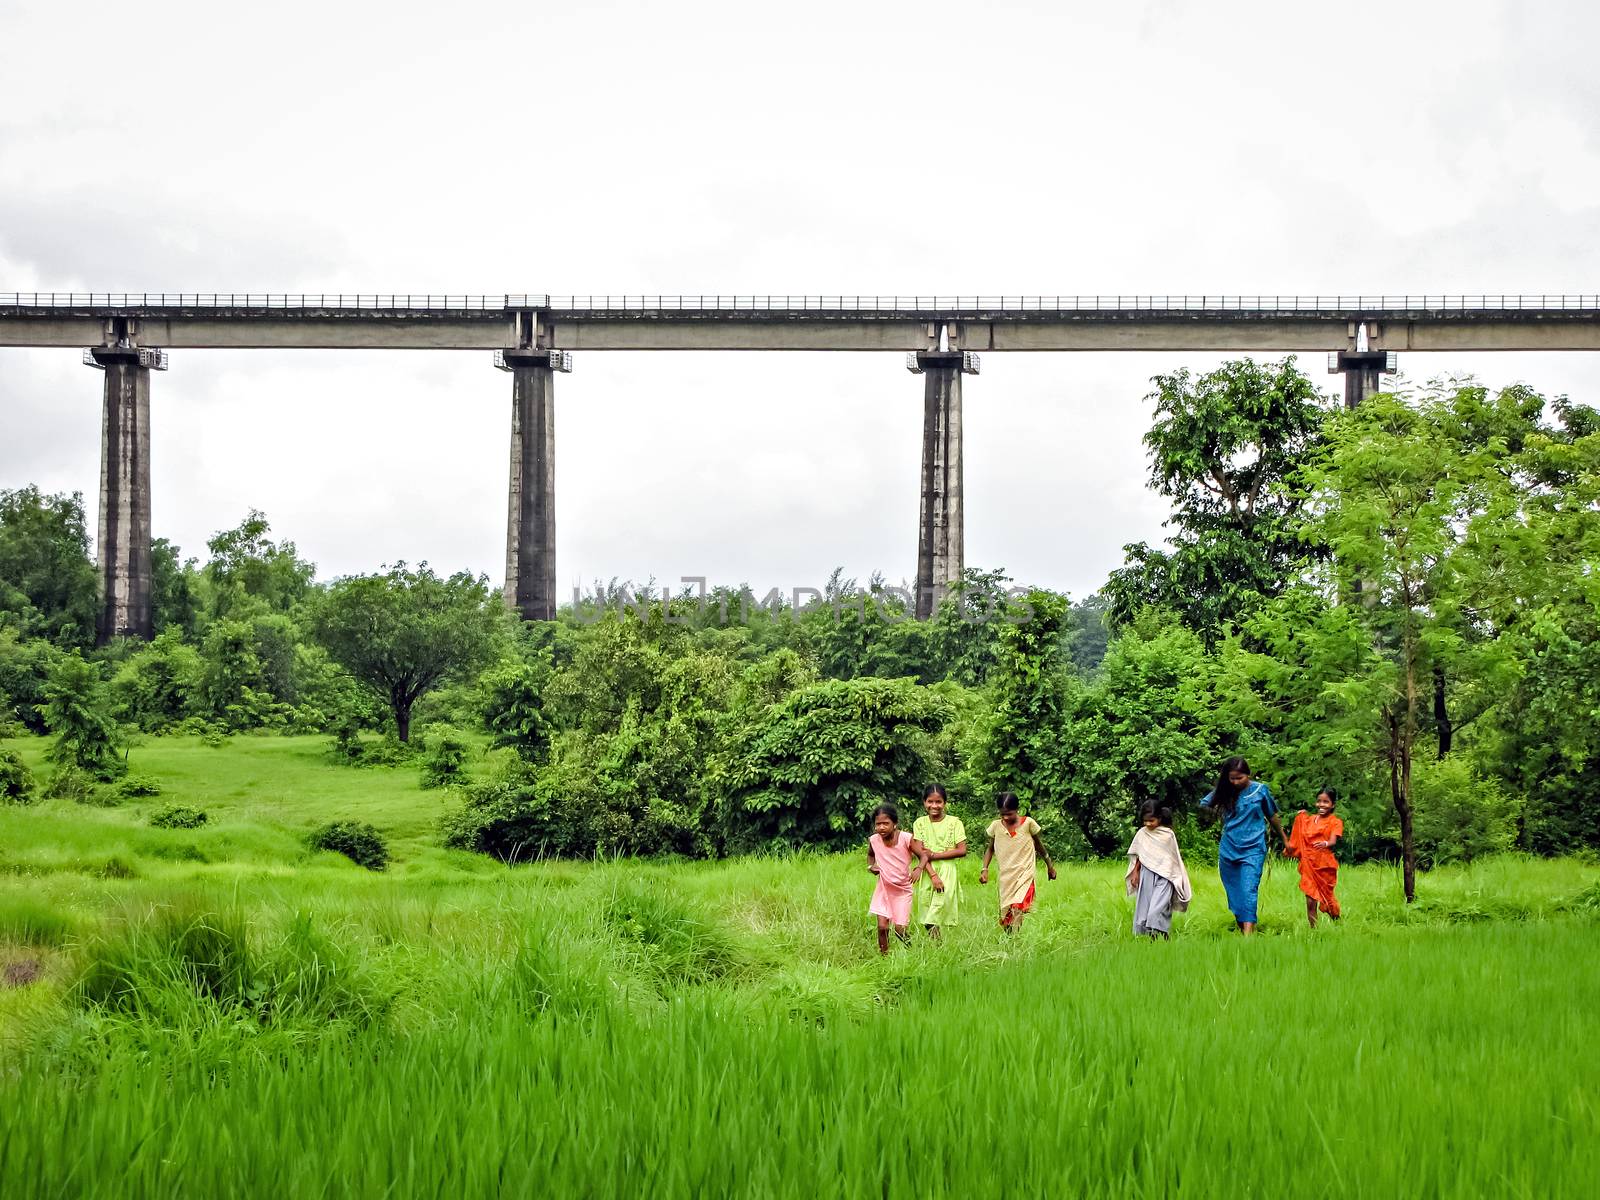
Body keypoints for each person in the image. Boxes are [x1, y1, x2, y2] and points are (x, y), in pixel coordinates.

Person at [1198, 756, 1287, 935]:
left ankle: (1248, 938)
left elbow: (1272, 816)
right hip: (1228, 849)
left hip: (1253, 849)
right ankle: (1243, 927)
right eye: (1232, 778)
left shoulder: (1260, 791)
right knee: (1234, 892)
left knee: (1248, 889)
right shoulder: (1224, 791)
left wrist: (1286, 840)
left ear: (1248, 774)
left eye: (1240, 778)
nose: (1236, 782)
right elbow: (1204, 805)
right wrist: (1218, 813)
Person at [979, 793, 1056, 932]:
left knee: (1018, 905)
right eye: (1002, 814)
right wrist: (985, 869)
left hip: (1025, 874)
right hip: (1006, 877)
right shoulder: (996, 826)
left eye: (1009, 814)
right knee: (1006, 910)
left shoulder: (1028, 824)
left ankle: (1015, 935)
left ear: (1017, 809)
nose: (1005, 818)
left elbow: (1039, 845)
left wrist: (1049, 865)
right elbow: (990, 849)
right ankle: (1010, 939)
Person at [867, 803, 928, 955]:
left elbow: (924, 855)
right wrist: (871, 867)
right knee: (882, 927)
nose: (881, 827)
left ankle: (912, 952)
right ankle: (884, 958)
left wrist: (918, 868)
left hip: (902, 890)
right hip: (884, 888)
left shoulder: (906, 838)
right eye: (878, 824)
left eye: (885, 823)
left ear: (895, 824)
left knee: (900, 930)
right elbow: (870, 855)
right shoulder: (874, 840)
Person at [1124, 801, 1192, 939]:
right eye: (1145, 821)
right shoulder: (1142, 834)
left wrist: (1175, 877)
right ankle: (1153, 940)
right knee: (1145, 908)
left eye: (1151, 820)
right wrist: (1136, 872)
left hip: (1165, 876)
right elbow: (1139, 855)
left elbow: (1173, 858)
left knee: (1157, 909)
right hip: (1146, 875)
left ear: (1160, 818)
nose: (1148, 824)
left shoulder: (1168, 834)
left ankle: (1163, 936)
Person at [910, 784, 967, 939]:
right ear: (924, 802)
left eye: (938, 802)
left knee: (937, 909)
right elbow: (919, 852)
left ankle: (938, 947)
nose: (934, 806)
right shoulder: (919, 823)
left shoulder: (955, 822)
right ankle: (937, 945)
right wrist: (933, 874)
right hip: (927, 871)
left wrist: (934, 855)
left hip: (947, 870)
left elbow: (962, 850)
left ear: (945, 803)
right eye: (930, 801)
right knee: (926, 910)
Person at [1285, 788, 1344, 926]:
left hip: (1324, 864)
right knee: (1310, 899)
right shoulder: (1310, 819)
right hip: (1308, 863)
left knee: (1326, 896)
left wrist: (1325, 843)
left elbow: (1332, 841)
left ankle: (1337, 922)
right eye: (1319, 801)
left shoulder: (1335, 821)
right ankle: (1314, 930)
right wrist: (1301, 816)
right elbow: (1301, 830)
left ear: (1333, 805)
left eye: (1326, 802)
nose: (1321, 805)